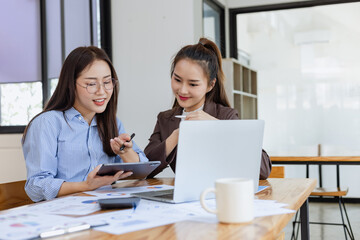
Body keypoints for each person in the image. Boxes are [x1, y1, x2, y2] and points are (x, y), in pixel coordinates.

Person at [22, 46, 148, 202]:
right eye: (91, 84)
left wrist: (124, 152)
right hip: (64, 214)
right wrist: (86, 186)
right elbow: (36, 186)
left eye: (107, 82)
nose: (102, 91)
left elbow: (143, 172)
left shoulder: (112, 122)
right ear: (71, 84)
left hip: (105, 207)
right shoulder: (47, 123)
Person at [144, 38, 272, 179]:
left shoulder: (225, 116)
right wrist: (176, 136)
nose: (182, 90)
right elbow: (146, 168)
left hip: (219, 195)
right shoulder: (165, 119)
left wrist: (217, 127)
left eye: (193, 84)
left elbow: (263, 169)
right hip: (183, 197)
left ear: (210, 85)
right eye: (177, 80)